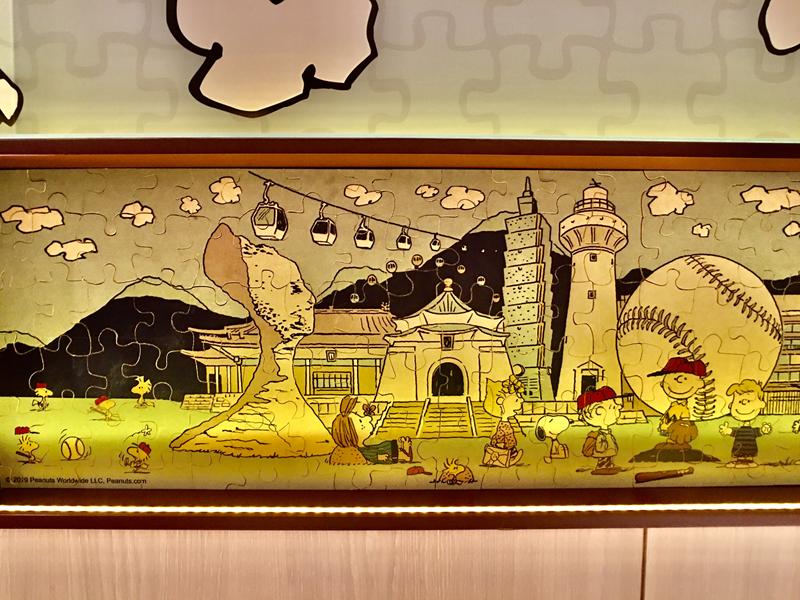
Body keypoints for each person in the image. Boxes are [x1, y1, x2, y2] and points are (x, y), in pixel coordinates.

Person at [328, 395, 412, 466]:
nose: (369, 419)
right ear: (349, 431)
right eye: (360, 421)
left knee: (383, 445)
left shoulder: (356, 448)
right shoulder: (351, 451)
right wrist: (377, 457)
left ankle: (401, 448)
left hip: (367, 450)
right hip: (373, 455)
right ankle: (403, 455)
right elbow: (362, 459)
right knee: (382, 451)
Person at [648, 357, 707, 448]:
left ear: (699, 384)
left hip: (676, 433)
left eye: (684, 379)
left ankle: (679, 444)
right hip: (667, 431)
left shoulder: (684, 409)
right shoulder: (674, 405)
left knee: (678, 438)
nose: (679, 381)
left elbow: (685, 422)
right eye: (674, 378)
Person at [719, 379, 771, 468]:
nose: (744, 404)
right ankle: (738, 461)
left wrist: (764, 430)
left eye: (748, 401)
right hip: (738, 447)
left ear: (760, 404)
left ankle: (749, 461)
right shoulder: (739, 430)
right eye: (739, 401)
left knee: (750, 452)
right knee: (739, 452)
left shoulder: (752, 431)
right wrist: (727, 430)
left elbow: (758, 432)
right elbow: (733, 432)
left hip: (750, 447)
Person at [578, 386, 624, 475]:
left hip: (607, 450)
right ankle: (602, 467)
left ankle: (608, 466)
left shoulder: (606, 433)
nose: (619, 408)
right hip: (604, 452)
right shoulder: (601, 436)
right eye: (613, 407)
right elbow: (600, 448)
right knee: (604, 458)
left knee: (608, 458)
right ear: (599, 411)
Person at [482, 374, 524, 467]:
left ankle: (510, 456)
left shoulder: (505, 423)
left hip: (508, 446)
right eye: (516, 400)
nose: (521, 401)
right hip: (504, 446)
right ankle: (505, 459)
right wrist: (499, 443)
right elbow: (500, 435)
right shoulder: (503, 425)